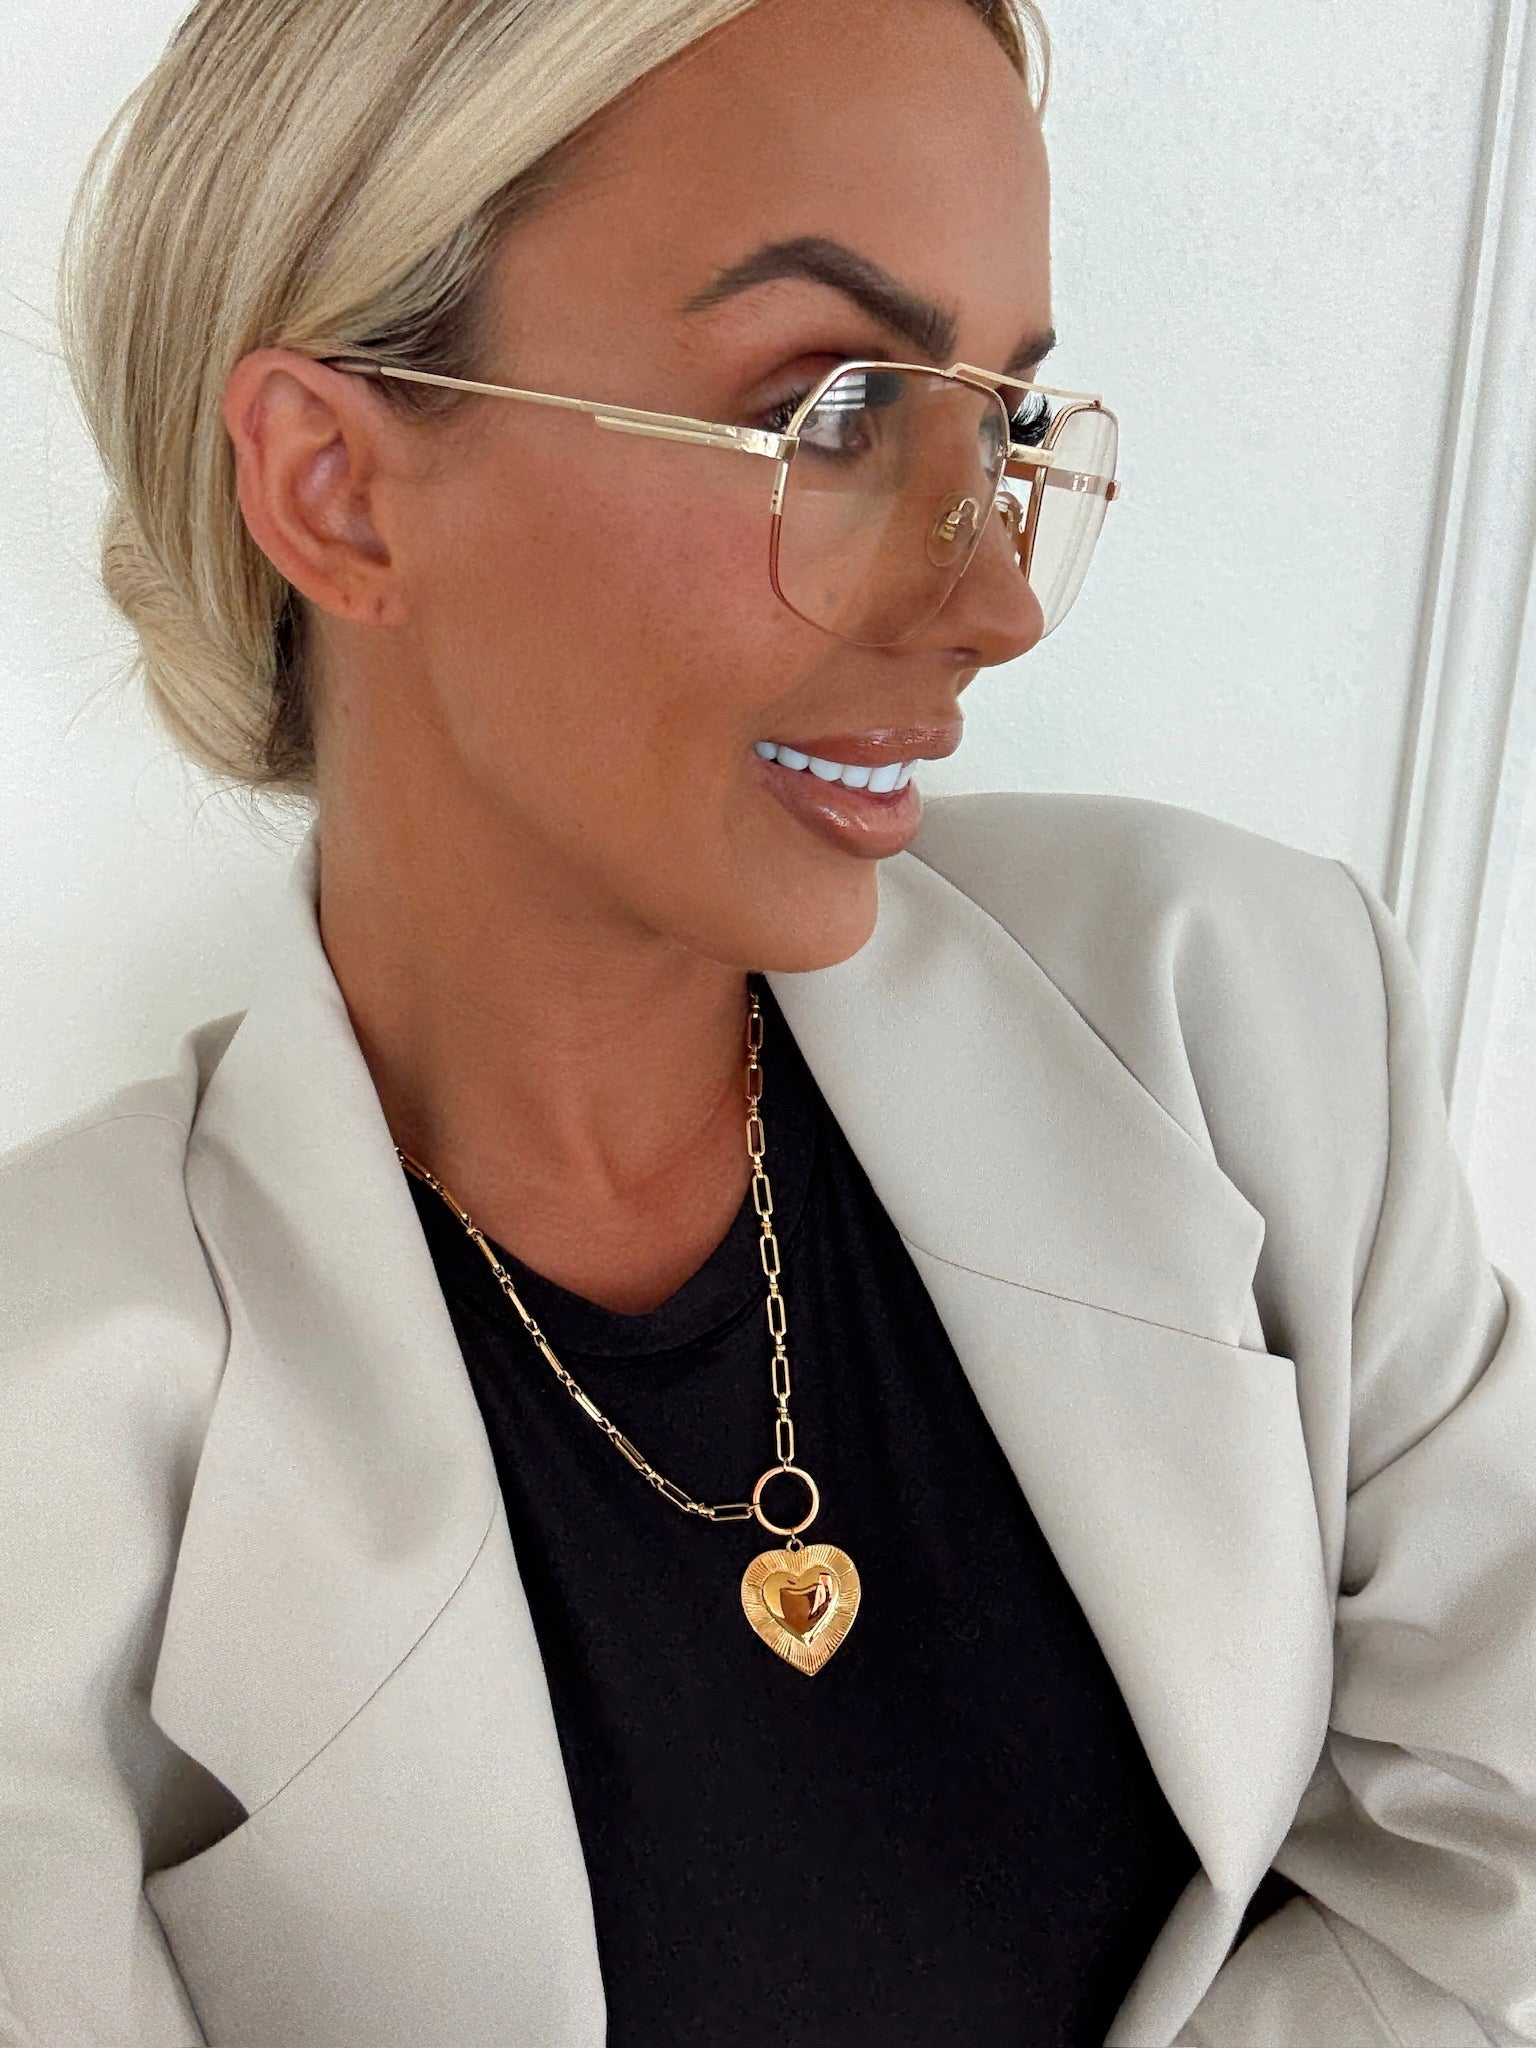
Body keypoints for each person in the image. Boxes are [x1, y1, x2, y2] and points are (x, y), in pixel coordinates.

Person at [4, 0, 1533, 2040]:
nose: (992, 603)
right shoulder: (47, 1432)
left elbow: (1495, 1885)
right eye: (833, 413)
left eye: (1005, 430)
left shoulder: (1249, 1024)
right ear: (338, 485)